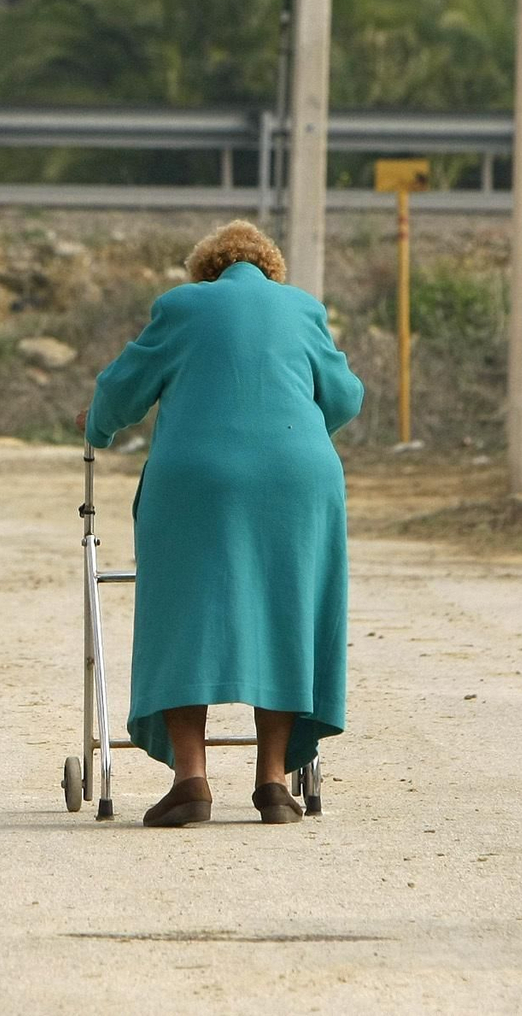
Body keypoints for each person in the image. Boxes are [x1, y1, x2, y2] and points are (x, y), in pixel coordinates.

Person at [76, 220, 364, 827]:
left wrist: (96, 427)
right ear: (271, 270)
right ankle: (273, 783)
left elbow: (120, 393)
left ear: (204, 271)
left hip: (197, 483)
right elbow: (344, 398)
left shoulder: (181, 307)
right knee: (288, 610)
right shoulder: (302, 309)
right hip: (299, 479)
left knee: (185, 612)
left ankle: (192, 781)